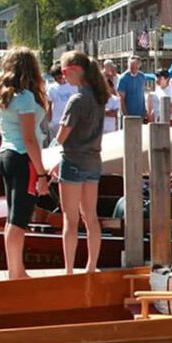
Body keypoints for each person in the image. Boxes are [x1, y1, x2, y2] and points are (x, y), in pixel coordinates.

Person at [0, 47, 49, 279]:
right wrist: (42, 173)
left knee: (12, 217)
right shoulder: (25, 97)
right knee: (19, 220)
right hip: (22, 157)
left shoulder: (2, 94)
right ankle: (16, 273)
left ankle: (15, 270)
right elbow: (29, 138)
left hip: (6, 154)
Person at [53, 51, 109, 274]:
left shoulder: (77, 100)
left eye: (65, 71)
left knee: (70, 219)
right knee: (91, 217)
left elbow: (61, 136)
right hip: (93, 162)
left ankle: (68, 270)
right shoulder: (99, 97)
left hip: (73, 161)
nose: (63, 75)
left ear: (76, 70)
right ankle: (91, 266)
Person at [47, 64, 78, 141]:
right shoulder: (52, 88)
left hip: (71, 120)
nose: (58, 80)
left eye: (59, 77)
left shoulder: (72, 85)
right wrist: (49, 121)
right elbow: (49, 105)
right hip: (56, 121)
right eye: (55, 79)